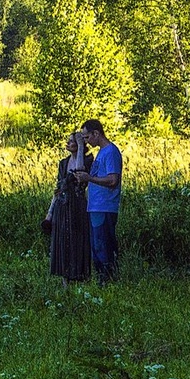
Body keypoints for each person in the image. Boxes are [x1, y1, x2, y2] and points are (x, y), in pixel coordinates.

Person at [73, 119, 121, 284]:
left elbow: (113, 180)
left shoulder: (111, 152)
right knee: (97, 245)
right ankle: (102, 279)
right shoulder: (101, 153)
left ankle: (108, 279)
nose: (87, 141)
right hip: (95, 206)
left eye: (87, 137)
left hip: (105, 206)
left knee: (103, 244)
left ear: (96, 133)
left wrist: (89, 178)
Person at [42, 131, 92, 287]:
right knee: (62, 241)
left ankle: (80, 278)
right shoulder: (63, 163)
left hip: (78, 206)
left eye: (72, 141)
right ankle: (65, 281)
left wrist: (81, 145)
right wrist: (49, 213)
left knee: (78, 240)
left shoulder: (88, 160)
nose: (68, 143)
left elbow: (79, 172)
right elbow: (58, 188)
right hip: (62, 206)